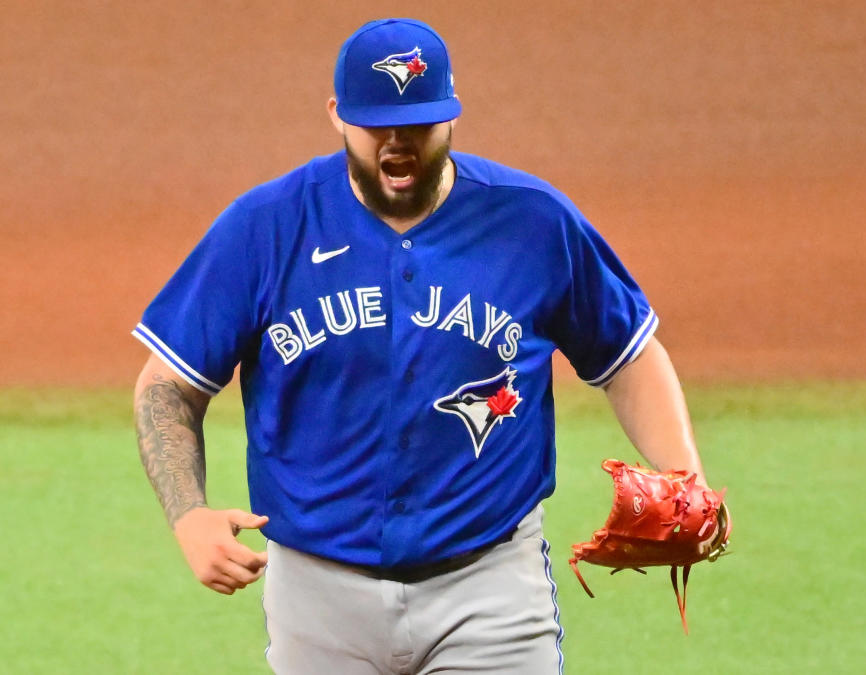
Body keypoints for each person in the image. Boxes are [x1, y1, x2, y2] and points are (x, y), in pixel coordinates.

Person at [132, 17, 716, 674]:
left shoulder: (533, 221)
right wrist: (189, 513)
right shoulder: (265, 227)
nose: (397, 142)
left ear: (452, 111)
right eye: (376, 124)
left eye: (417, 124)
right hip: (317, 595)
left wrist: (684, 478)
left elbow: (628, 355)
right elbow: (167, 385)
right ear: (336, 114)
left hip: (490, 585)